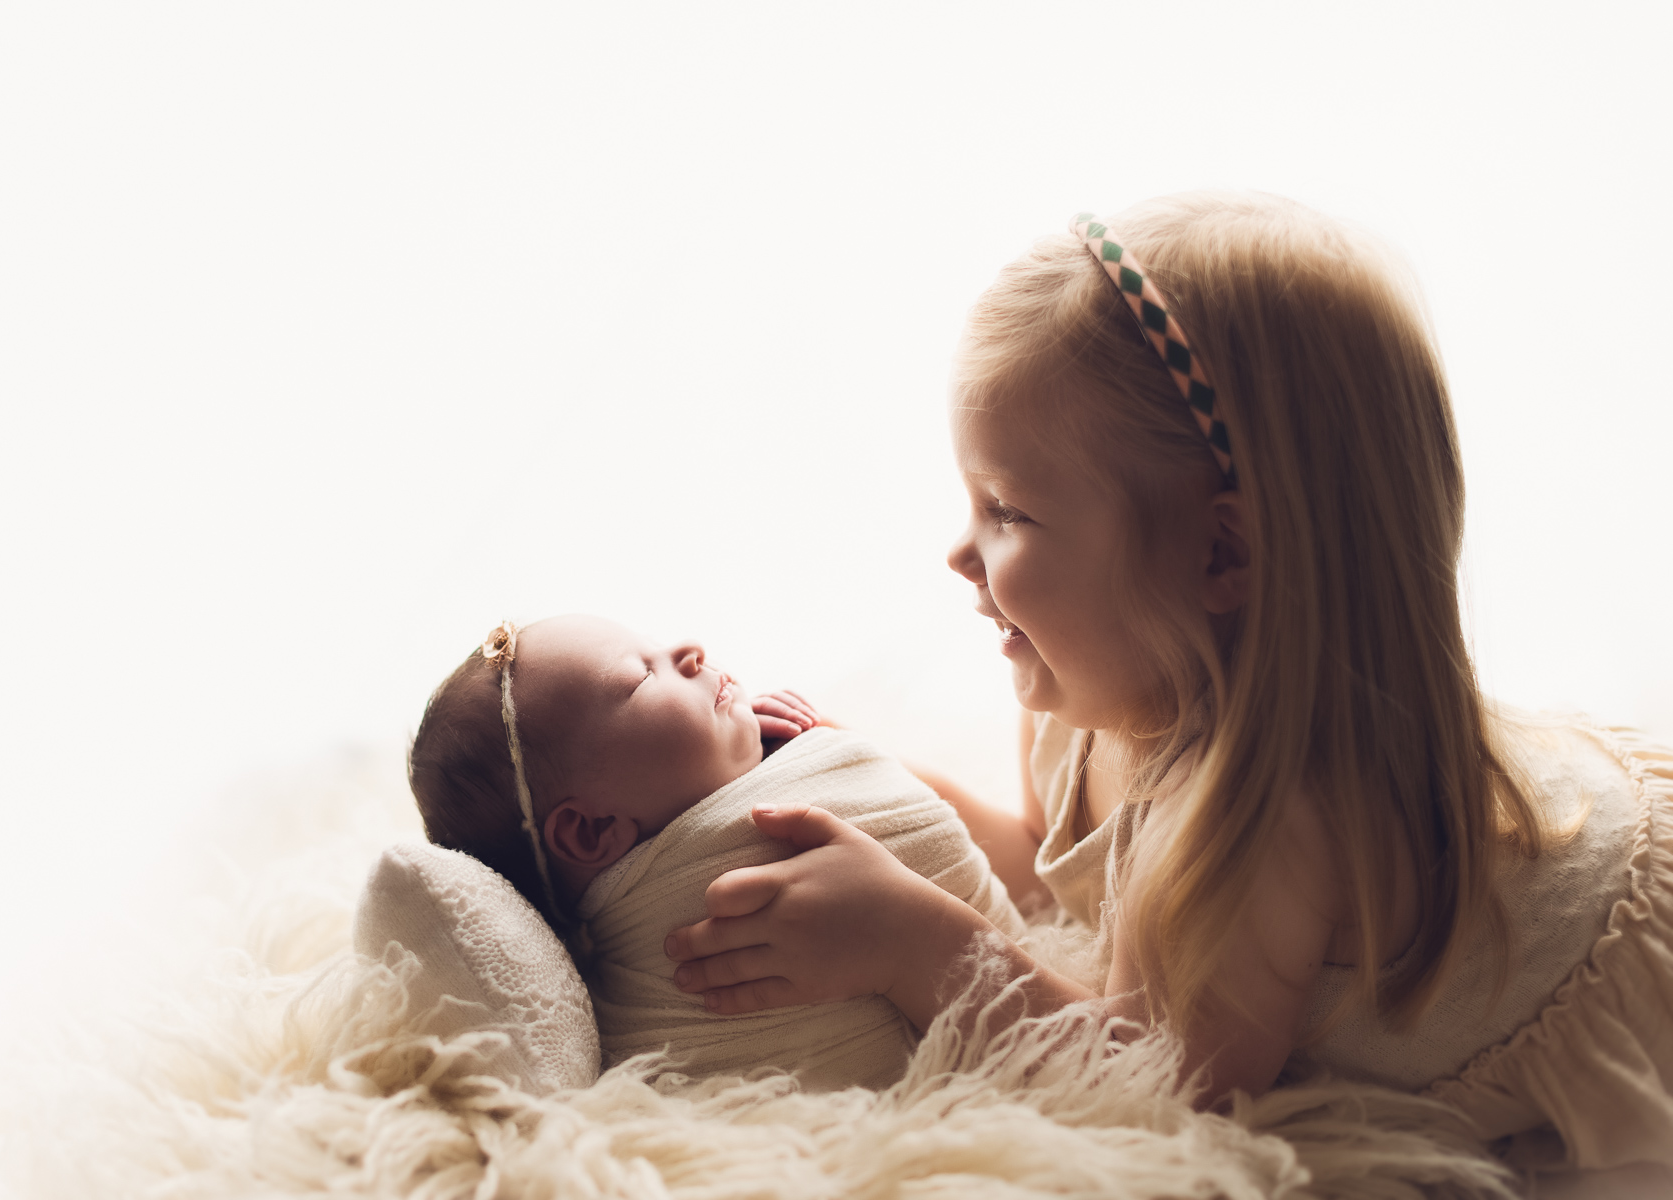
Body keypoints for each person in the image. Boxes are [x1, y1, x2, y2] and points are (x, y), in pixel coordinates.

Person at [662, 192, 1673, 1171]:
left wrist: (912, 943)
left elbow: (1161, 1087)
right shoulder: (1096, 686)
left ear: (1218, 554)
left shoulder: (1278, 818)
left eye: (1006, 510)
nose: (958, 552)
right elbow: (1055, 867)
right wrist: (869, 781)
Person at [406, 613, 1024, 1087]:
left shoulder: (776, 779)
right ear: (592, 833)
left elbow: (913, 811)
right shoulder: (696, 906)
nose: (688, 649)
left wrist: (824, 746)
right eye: (642, 675)